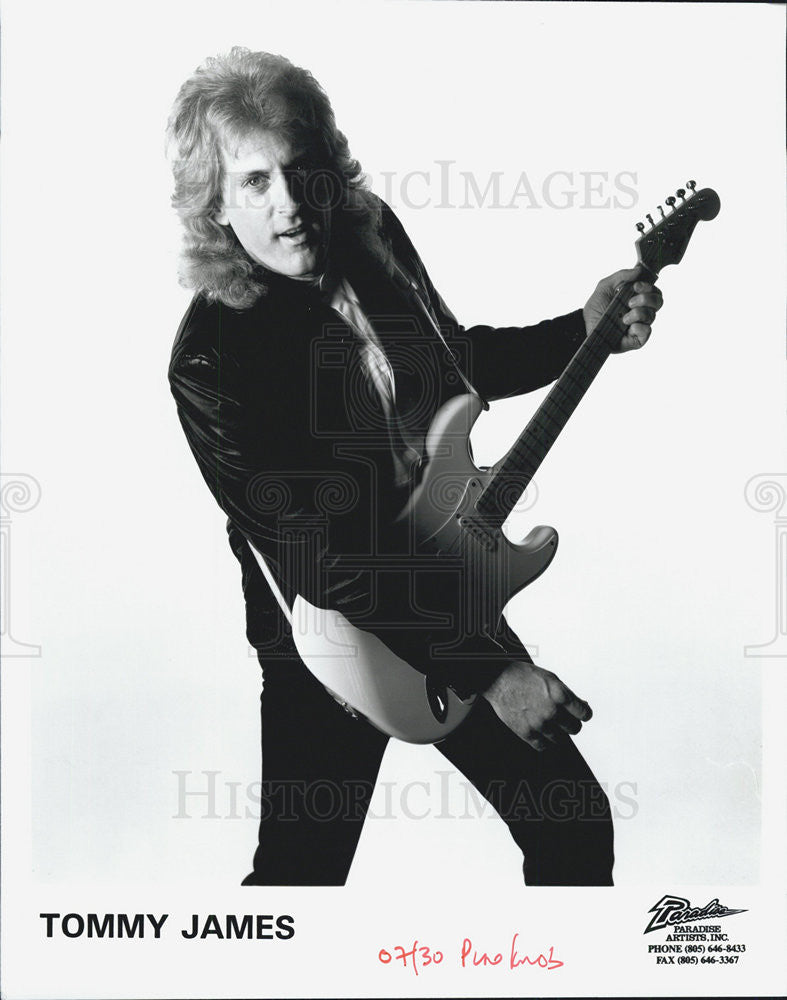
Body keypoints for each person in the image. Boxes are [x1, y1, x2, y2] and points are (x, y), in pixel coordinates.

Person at [167, 47, 663, 886]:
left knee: (572, 830)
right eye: (254, 182)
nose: (288, 205)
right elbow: (323, 558)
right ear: (215, 202)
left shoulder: (371, 238)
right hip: (333, 634)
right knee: (298, 885)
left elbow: (447, 369)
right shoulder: (213, 362)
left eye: (301, 170)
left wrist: (583, 328)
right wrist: (492, 669)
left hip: (444, 573)